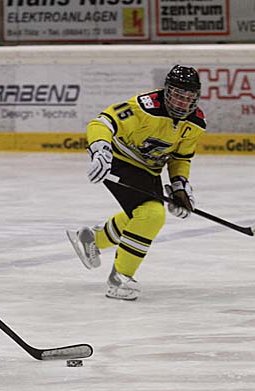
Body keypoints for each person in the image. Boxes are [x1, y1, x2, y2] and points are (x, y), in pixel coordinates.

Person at [66, 65, 206, 301]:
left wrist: (180, 187)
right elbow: (101, 123)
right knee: (151, 215)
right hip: (119, 160)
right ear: (166, 91)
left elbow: (180, 158)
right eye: (177, 95)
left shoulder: (196, 123)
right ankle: (119, 278)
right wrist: (100, 150)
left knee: (141, 216)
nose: (182, 103)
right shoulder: (144, 107)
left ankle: (92, 239)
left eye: (188, 98)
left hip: (149, 170)